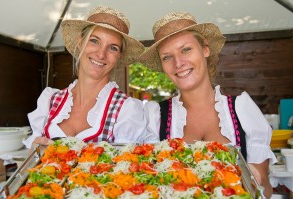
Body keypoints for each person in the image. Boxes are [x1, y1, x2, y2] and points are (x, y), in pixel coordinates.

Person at [140, 11, 277, 198]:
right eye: (167, 57)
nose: (178, 63)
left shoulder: (242, 109)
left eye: (186, 49)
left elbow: (265, 190)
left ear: (205, 50)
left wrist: (256, 180)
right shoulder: (155, 117)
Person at [24, 6, 146, 149]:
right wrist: (35, 148)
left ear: (119, 56)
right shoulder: (50, 100)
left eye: (113, 48)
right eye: (94, 41)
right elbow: (31, 156)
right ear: (80, 42)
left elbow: (127, 165)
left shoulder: (126, 110)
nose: (101, 54)